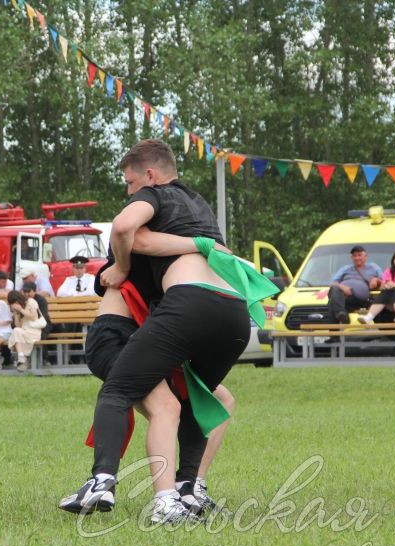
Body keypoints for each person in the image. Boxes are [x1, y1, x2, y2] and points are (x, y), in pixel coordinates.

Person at [60, 139, 264, 524]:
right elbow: (171, 245)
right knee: (201, 399)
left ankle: (109, 482)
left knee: (127, 392)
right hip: (234, 312)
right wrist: (203, 244)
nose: (127, 191)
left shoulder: (154, 200)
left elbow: (125, 229)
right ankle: (185, 492)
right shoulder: (199, 209)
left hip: (188, 307)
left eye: (129, 182)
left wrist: (119, 267)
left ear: (149, 177)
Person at [327, 246, 383, 323]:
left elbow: (384, 282)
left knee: (332, 304)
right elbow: (332, 283)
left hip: (361, 300)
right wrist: (342, 287)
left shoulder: (373, 267)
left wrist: (376, 280)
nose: (357, 258)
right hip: (344, 298)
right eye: (354, 255)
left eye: (359, 255)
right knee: (334, 292)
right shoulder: (345, 268)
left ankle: (342, 317)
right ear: (351, 257)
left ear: (366, 256)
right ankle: (341, 314)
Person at [7, 289, 44, 371]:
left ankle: (22, 359)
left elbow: (33, 317)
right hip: (24, 331)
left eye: (15, 302)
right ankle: (21, 358)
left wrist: (21, 310)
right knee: (16, 330)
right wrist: (16, 314)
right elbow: (18, 326)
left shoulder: (31, 302)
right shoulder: (17, 309)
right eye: (13, 303)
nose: (15, 304)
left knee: (16, 333)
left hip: (34, 331)